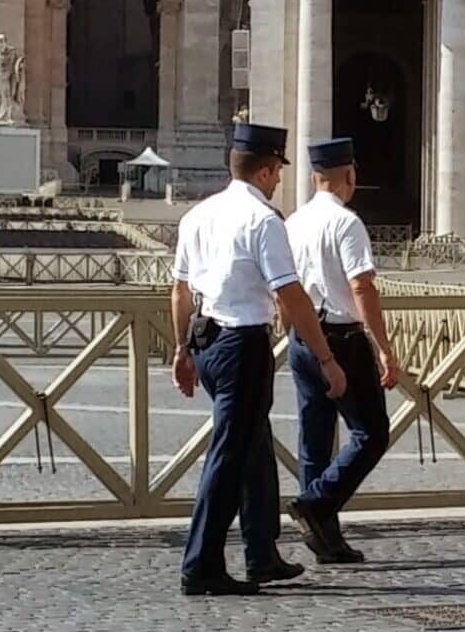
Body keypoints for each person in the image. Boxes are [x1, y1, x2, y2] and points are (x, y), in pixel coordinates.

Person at [170, 122, 347, 596]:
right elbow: (290, 294)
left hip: (204, 339)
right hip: (240, 345)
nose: (278, 181)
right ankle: (201, 564)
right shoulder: (264, 221)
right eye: (277, 172)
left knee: (253, 446)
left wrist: (182, 350)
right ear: (267, 170)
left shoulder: (197, 216)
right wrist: (327, 358)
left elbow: (180, 290)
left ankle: (261, 553)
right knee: (228, 456)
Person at [285, 136, 401, 564]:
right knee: (371, 433)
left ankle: (325, 540)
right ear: (349, 175)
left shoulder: (294, 222)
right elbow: (361, 286)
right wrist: (385, 348)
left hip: (303, 336)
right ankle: (316, 503)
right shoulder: (346, 223)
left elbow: (285, 288)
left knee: (314, 439)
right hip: (342, 337)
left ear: (315, 177)